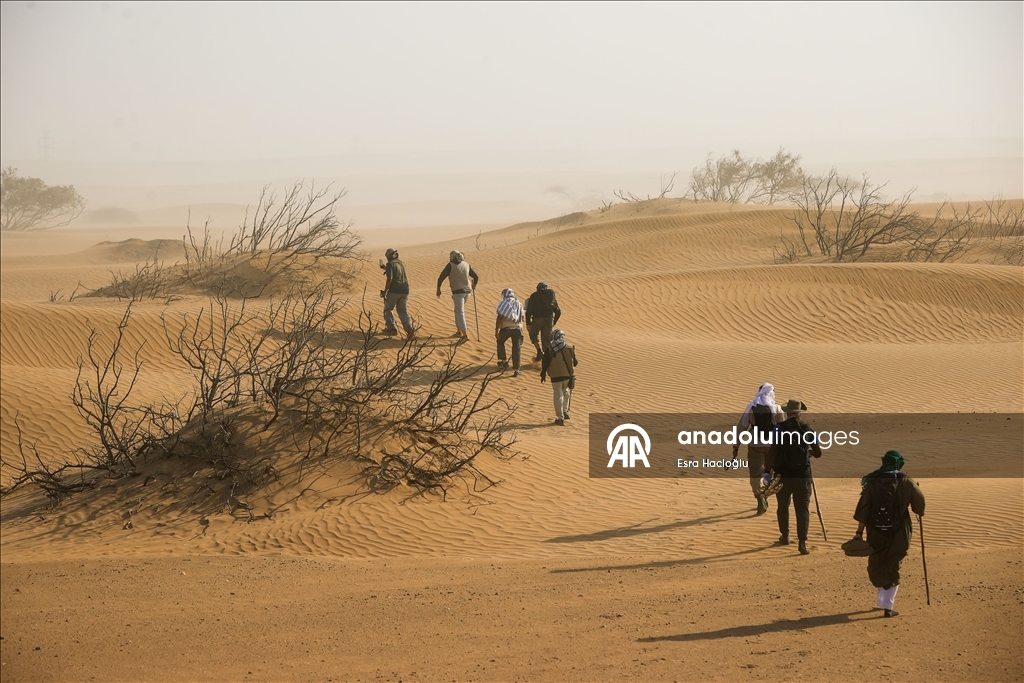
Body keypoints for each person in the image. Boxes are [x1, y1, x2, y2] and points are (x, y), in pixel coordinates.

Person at [852, 450, 926, 618]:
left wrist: (859, 533)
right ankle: (887, 606)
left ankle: (883, 601)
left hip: (875, 531)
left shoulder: (872, 482)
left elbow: (863, 510)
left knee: (878, 561)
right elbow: (919, 507)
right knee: (893, 563)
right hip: (899, 532)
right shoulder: (906, 481)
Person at [765, 399, 822, 555]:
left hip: (782, 474)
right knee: (802, 508)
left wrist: (766, 471)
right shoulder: (807, 428)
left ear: (786, 412)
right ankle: (802, 543)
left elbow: (773, 451)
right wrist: (808, 454)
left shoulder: (779, 428)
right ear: (799, 413)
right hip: (803, 475)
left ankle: (785, 536)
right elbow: (818, 453)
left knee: (783, 506)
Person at [733, 383, 785, 515]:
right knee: (768, 472)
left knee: (756, 473)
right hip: (772, 445)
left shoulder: (752, 407)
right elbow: (783, 428)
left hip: (755, 445)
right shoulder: (777, 408)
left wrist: (736, 445)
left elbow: (742, 426)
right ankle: (765, 495)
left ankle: (761, 499)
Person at [436, 250, 479, 341]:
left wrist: (438, 289)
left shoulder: (450, 265)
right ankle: (459, 330)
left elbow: (441, 277)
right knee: (458, 310)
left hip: (458, 292)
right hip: (468, 292)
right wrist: (474, 285)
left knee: (459, 312)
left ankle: (465, 334)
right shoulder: (466, 264)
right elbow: (476, 276)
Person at [540, 328, 577, 426]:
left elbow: (545, 362)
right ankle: (565, 412)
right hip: (567, 376)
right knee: (565, 393)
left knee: (558, 395)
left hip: (555, 376)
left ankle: (560, 418)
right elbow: (576, 363)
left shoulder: (550, 348)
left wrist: (543, 374)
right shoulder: (569, 348)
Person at [380, 248, 415, 340]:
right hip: (405, 290)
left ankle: (392, 329)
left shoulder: (390, 264)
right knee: (402, 311)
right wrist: (385, 268)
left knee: (388, 309)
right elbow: (397, 272)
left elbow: (390, 278)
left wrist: (385, 291)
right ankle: (410, 331)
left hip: (394, 290)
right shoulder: (402, 263)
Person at [525, 282, 561, 361]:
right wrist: (554, 322)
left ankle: (539, 351)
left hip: (537, 320)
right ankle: (548, 359)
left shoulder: (534, 296)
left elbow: (528, 311)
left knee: (533, 335)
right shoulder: (550, 296)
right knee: (547, 341)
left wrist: (528, 323)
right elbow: (558, 311)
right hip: (548, 320)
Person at [494, 288, 524, 377]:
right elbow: (522, 318)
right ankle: (517, 370)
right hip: (517, 329)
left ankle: (503, 361)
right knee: (516, 348)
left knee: (500, 341)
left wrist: (496, 331)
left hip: (506, 329)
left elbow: (499, 317)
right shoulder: (518, 303)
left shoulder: (503, 303)